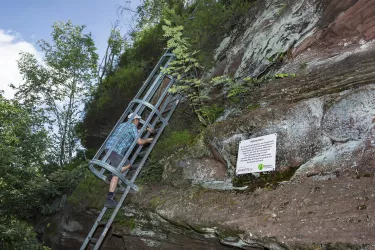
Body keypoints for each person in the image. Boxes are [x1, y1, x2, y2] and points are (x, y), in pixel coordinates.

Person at [104, 113, 153, 208]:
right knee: (123, 169)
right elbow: (139, 142)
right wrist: (148, 140)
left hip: (109, 148)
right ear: (134, 120)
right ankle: (109, 198)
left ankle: (111, 176)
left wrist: (146, 129)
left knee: (124, 166)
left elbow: (136, 131)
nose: (138, 122)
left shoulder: (123, 125)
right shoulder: (132, 126)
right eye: (138, 120)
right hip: (116, 150)